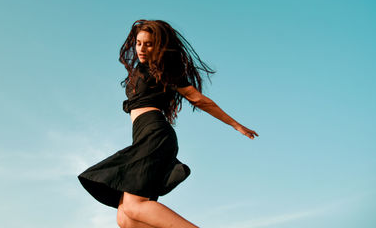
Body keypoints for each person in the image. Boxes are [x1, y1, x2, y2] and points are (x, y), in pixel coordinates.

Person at [78, 19, 258, 228]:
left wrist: (236, 125)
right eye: (139, 43)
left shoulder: (163, 70)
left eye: (149, 44)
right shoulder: (140, 69)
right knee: (126, 219)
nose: (142, 49)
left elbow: (200, 100)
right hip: (144, 136)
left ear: (159, 46)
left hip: (155, 135)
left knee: (135, 206)